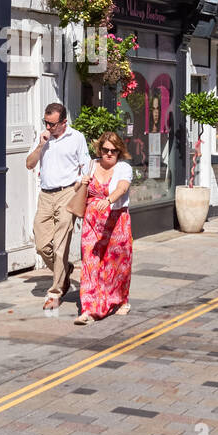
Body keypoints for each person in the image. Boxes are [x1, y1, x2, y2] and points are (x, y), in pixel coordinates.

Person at [26, 103, 90, 312]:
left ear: (64, 122)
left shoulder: (76, 138)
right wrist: (39, 146)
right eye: (46, 122)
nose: (49, 127)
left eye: (53, 124)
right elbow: (29, 164)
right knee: (41, 244)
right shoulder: (44, 139)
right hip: (45, 195)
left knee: (61, 244)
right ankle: (65, 270)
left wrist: (80, 185)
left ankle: (55, 293)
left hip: (67, 193)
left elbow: (86, 164)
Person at [74, 131, 134, 325]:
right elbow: (77, 188)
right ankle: (89, 309)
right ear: (99, 149)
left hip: (116, 222)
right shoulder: (91, 165)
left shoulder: (123, 168)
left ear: (119, 152)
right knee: (90, 264)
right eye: (105, 150)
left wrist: (109, 200)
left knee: (114, 266)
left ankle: (120, 299)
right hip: (91, 223)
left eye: (113, 151)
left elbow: (122, 188)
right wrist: (80, 183)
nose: (109, 154)